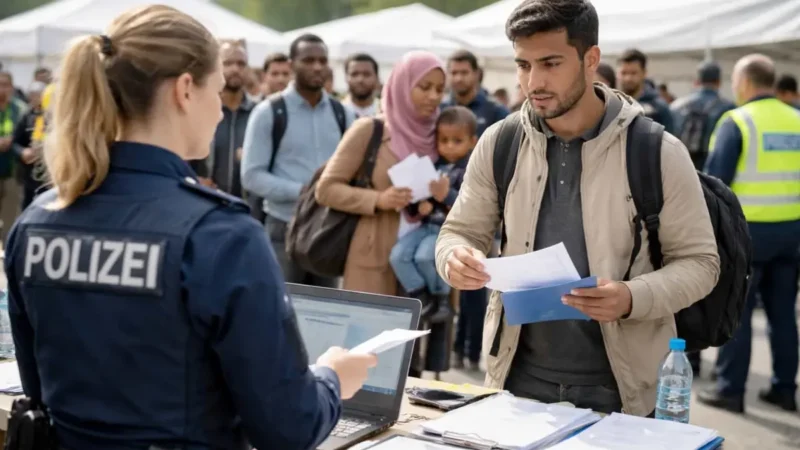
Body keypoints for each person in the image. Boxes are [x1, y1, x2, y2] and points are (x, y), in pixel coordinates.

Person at [3, 6, 377, 449]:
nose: (220, 112)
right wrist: (333, 377)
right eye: (217, 91)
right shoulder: (220, 234)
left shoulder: (36, 224)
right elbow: (289, 428)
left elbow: (41, 391)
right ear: (184, 89)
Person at [436, 0, 719, 416]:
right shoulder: (500, 142)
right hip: (515, 381)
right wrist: (455, 259)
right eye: (523, 65)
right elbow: (456, 233)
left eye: (550, 63)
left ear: (591, 60)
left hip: (622, 389)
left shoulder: (657, 151)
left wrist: (630, 297)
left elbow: (701, 262)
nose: (534, 82)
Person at [315, 51, 451, 375]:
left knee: (413, 364)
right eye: (424, 87)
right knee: (370, 362)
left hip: (425, 264)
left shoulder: (441, 134)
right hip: (374, 259)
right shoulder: (370, 130)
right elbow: (327, 188)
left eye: (439, 88)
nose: (434, 96)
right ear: (403, 86)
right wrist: (379, 199)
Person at [699, 54, 800, 414]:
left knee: (736, 311)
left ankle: (731, 390)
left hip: (750, 236)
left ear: (743, 82)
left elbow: (715, 184)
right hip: (792, 233)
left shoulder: (737, 121)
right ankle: (785, 389)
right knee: (783, 313)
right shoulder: (797, 119)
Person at [242, 33, 356, 287]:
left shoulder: (343, 114)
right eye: (308, 60)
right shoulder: (268, 112)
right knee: (282, 312)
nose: (317, 66)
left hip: (329, 230)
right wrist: (303, 192)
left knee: (328, 316)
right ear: (292, 64)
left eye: (322, 60)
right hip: (283, 228)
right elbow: (251, 175)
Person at [389, 106, 476, 325]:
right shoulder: (432, 165)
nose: (449, 146)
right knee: (398, 256)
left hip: (446, 230)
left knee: (425, 256)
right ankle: (421, 295)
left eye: (457, 141)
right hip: (424, 226)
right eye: (443, 140)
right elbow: (417, 196)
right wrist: (418, 208)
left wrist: (446, 195)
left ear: (472, 141)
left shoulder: (472, 169)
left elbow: (472, 206)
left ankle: (442, 298)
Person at [190, 39, 256, 197]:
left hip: (250, 209)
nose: (235, 69)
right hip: (207, 204)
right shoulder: (200, 111)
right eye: (228, 63)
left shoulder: (260, 112)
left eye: (241, 64)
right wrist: (195, 180)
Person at [670, 61, 736, 173]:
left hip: (682, 171)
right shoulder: (729, 108)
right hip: (712, 176)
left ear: (696, 81)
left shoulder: (676, 106)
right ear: (719, 82)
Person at [442, 49, 509, 137]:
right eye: (454, 73)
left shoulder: (495, 110)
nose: (458, 78)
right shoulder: (441, 109)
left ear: (476, 74)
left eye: (464, 73)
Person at [616, 48, 675, 134]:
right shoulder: (611, 104)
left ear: (644, 73)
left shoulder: (659, 108)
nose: (628, 78)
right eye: (624, 73)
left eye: (633, 73)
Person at [11, 81, 46, 210]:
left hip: (48, 175)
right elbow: (15, 142)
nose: (36, 98)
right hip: (29, 175)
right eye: (33, 95)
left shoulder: (53, 115)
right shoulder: (26, 116)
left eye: (39, 95)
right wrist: (22, 152)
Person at [0, 70, 27, 241]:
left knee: (10, 216)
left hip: (13, 170)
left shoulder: (21, 109)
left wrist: (14, 142)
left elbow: (28, 137)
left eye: (5, 85)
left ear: (11, 87)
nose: (2, 89)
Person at [342, 53, 381, 117]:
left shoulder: (386, 112)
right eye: (354, 74)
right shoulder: (335, 112)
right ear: (346, 78)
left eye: (366, 74)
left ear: (377, 78)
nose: (360, 80)